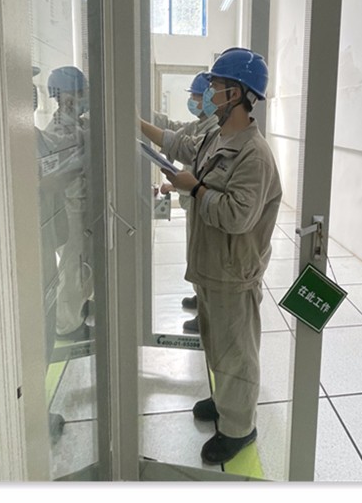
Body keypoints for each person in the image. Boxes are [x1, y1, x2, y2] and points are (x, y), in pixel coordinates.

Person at [139, 47, 282, 465]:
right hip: (210, 264)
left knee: (237, 353)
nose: (209, 93)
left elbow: (238, 217)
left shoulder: (254, 155)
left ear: (237, 93)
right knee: (216, 343)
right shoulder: (216, 135)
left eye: (216, 86)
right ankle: (224, 402)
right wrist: (135, 123)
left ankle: (239, 428)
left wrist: (195, 188)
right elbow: (179, 143)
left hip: (234, 271)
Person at [150, 71, 219, 334]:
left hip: (203, 204)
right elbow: (173, 129)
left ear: (210, 97)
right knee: (196, 255)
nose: (193, 101)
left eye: (197, 97)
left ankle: (207, 314)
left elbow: (196, 165)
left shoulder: (213, 129)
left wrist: (176, 183)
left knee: (205, 259)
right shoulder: (200, 124)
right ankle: (201, 298)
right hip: (194, 203)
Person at [40, 65, 93, 343]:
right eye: (80, 92)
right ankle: (67, 324)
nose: (85, 97)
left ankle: (79, 308)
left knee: (82, 264)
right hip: (70, 209)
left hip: (82, 207)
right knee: (71, 266)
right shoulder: (56, 132)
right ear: (65, 97)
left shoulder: (78, 125)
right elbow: (57, 174)